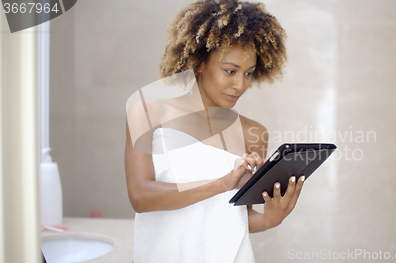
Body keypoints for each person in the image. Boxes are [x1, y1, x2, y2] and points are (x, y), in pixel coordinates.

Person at [124, 0, 305, 262]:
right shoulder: (147, 112)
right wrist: (222, 184)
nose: (240, 85)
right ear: (199, 62)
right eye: (230, 71)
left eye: (249, 73)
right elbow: (140, 197)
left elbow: (236, 218)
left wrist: (269, 219)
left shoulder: (253, 132)